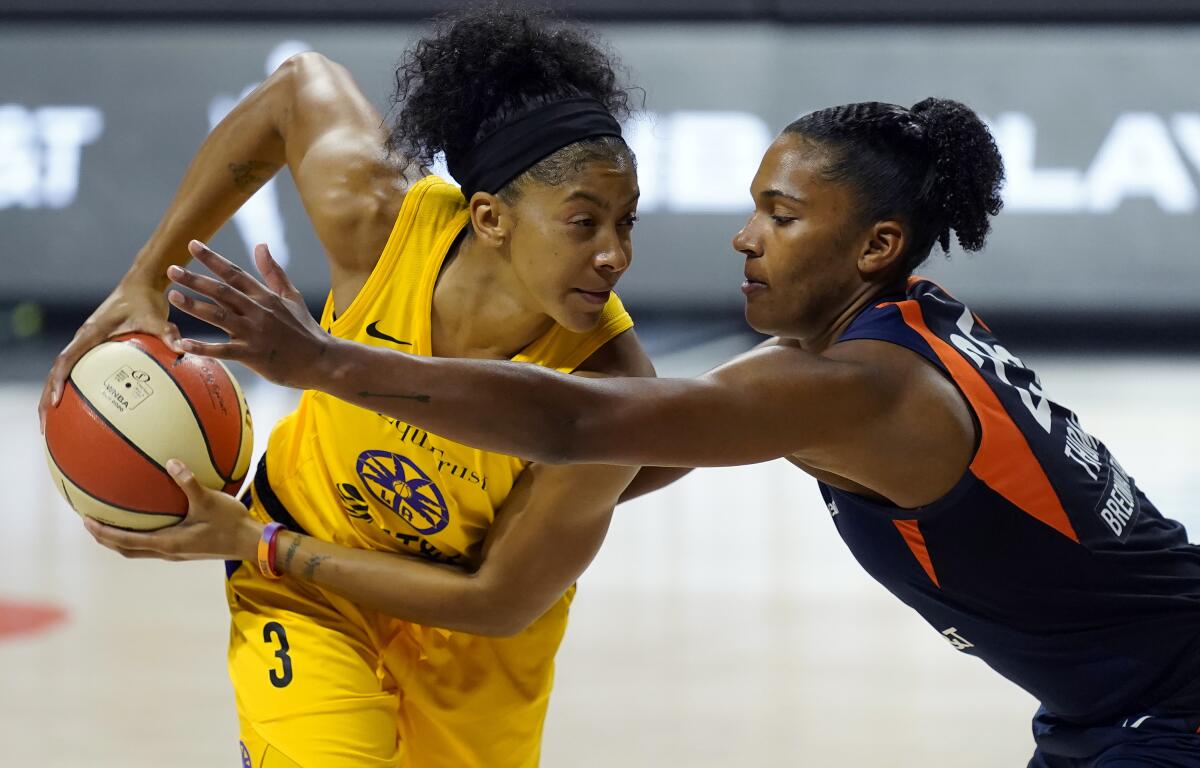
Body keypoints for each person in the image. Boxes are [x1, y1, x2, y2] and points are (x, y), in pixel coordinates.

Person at [129, 98, 1200, 766]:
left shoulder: (863, 387)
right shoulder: (907, 327)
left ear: (876, 244)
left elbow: (581, 419)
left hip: (1172, 707)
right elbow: (628, 448)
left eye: (781, 215)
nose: (745, 236)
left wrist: (324, 363)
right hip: (1113, 710)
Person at [40, 3, 654, 768]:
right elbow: (296, 89)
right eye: (583, 223)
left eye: (627, 223)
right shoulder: (378, 221)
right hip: (303, 572)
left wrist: (257, 543)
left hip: (465, 638)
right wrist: (147, 278)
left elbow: (499, 600)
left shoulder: (610, 386)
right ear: (491, 218)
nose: (614, 254)